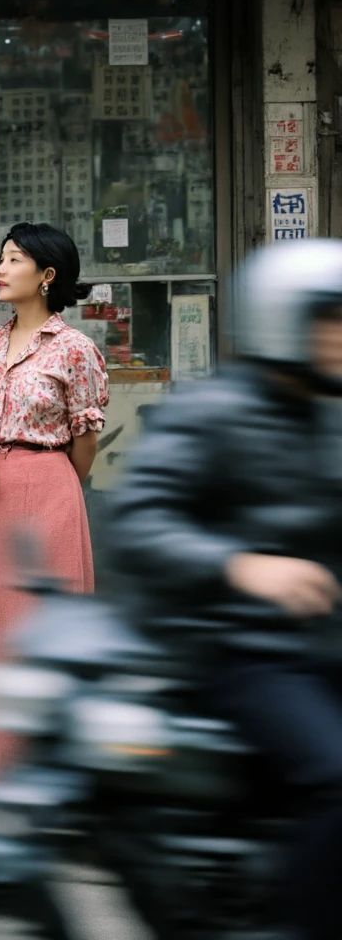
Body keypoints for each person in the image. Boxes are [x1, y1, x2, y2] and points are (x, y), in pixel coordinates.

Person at [108, 238, 342, 940]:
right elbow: (139, 519)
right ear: (284, 322)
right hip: (236, 649)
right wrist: (242, 565)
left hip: (312, 643)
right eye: (330, 319)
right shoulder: (214, 413)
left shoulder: (326, 418)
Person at [0, 222, 109, 783]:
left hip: (49, 491)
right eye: (0, 258)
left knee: (47, 635)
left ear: (46, 275)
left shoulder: (76, 349)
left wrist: (49, 482)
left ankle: (53, 779)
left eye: (13, 259)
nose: (0, 268)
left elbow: (83, 442)